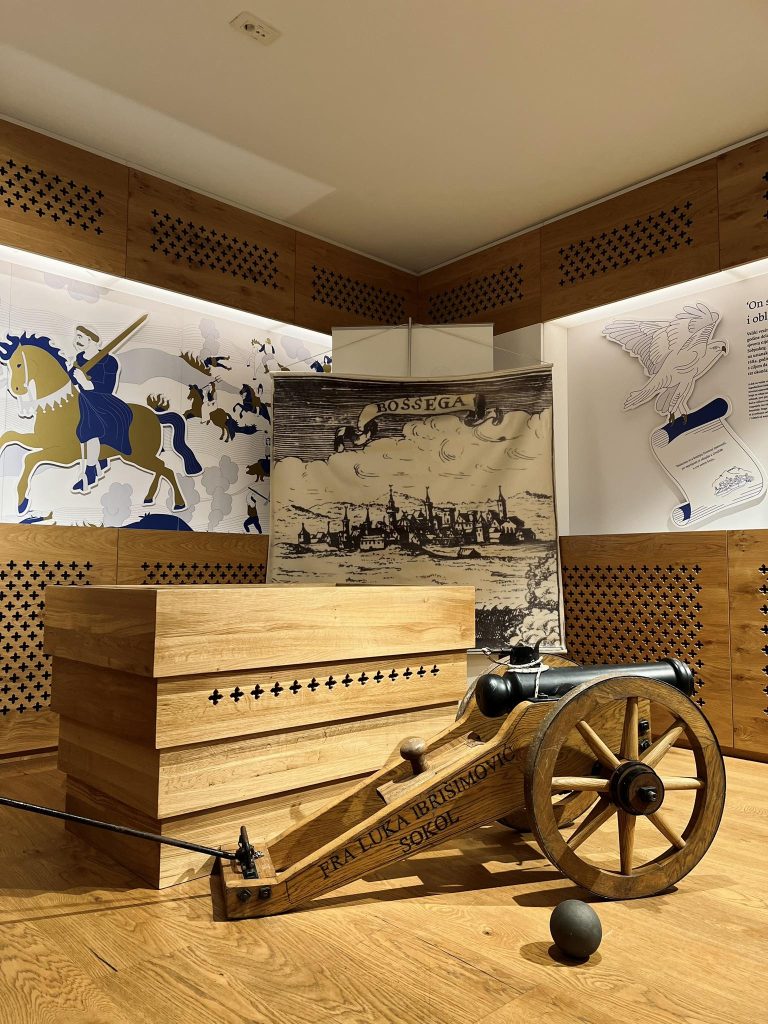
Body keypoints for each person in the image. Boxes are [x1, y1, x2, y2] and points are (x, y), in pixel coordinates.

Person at [70, 326, 134, 493]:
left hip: (104, 402)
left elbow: (108, 387)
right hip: (84, 400)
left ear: (91, 340)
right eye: (76, 336)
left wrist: (86, 383)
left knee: (92, 426)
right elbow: (70, 379)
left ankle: (91, 471)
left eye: (80, 336)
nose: (76, 340)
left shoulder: (110, 361)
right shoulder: (79, 359)